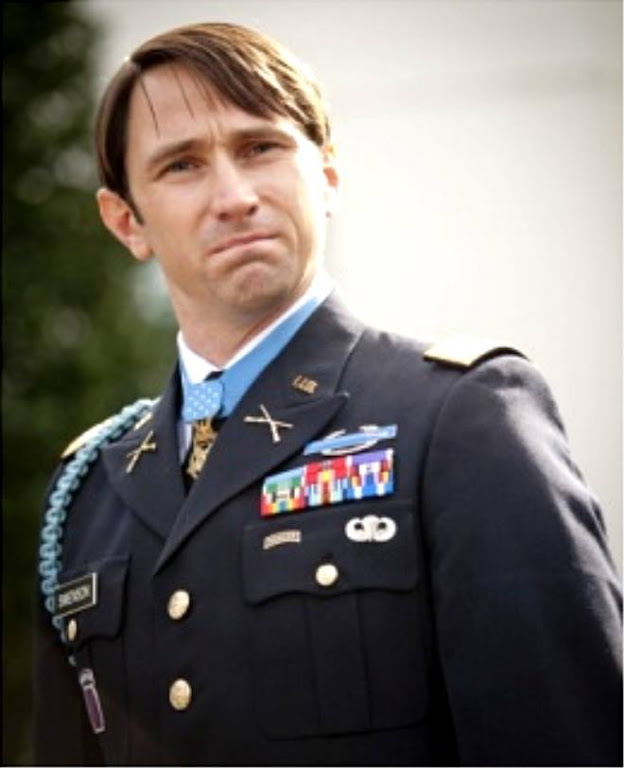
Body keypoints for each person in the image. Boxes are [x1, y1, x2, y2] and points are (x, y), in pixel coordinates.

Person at [34, 21, 622, 767]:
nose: (234, 196)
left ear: (329, 175)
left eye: (260, 147)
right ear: (127, 222)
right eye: (182, 165)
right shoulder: (87, 492)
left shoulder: (461, 415)